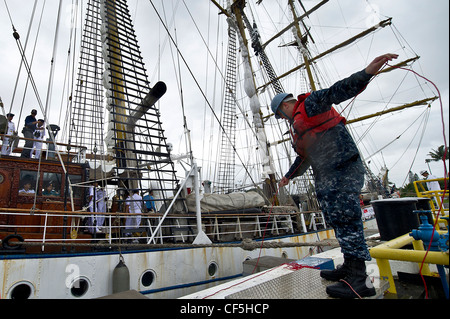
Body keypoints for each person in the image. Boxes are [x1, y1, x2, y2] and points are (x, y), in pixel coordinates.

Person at [271, 53, 399, 298]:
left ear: (285, 106)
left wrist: (367, 73)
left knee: (348, 220)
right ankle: (350, 268)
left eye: (280, 114)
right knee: (338, 220)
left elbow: (337, 90)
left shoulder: (310, 104)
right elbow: (305, 157)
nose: (282, 119)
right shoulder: (300, 126)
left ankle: (358, 281)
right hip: (327, 176)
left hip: (343, 169)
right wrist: (289, 176)